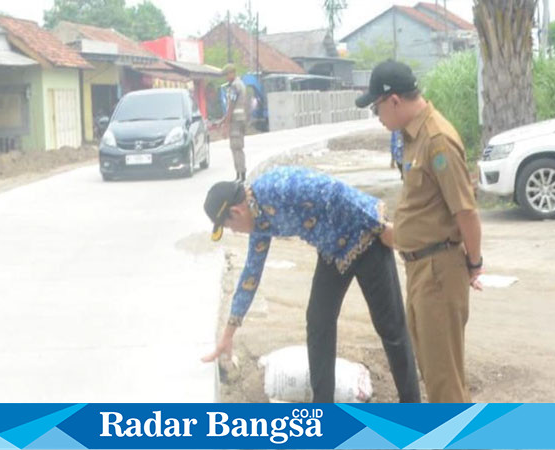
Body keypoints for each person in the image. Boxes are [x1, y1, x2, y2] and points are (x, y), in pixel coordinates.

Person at [202, 166, 421, 403]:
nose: (235, 232)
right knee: (318, 322)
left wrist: (380, 227)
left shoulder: (276, 187)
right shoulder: (259, 222)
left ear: (235, 211)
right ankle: (323, 406)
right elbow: (250, 275)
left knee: (390, 327)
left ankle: (411, 407)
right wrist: (228, 334)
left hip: (366, 239)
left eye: (229, 227)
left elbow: (334, 192)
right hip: (333, 252)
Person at [356, 59, 483, 403]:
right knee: (434, 371)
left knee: (444, 381)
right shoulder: (411, 136)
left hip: (439, 271)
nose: (378, 117)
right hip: (421, 269)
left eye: (377, 108)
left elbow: (466, 211)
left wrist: (474, 262)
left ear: (394, 100)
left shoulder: (436, 140)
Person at [220, 63, 247, 182]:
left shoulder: (235, 86)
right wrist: (224, 119)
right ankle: (239, 174)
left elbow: (231, 105)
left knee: (236, 148)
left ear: (232, 73)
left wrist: (226, 124)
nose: (226, 77)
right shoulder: (241, 84)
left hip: (235, 121)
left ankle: (240, 175)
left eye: (227, 75)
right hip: (240, 119)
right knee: (237, 147)